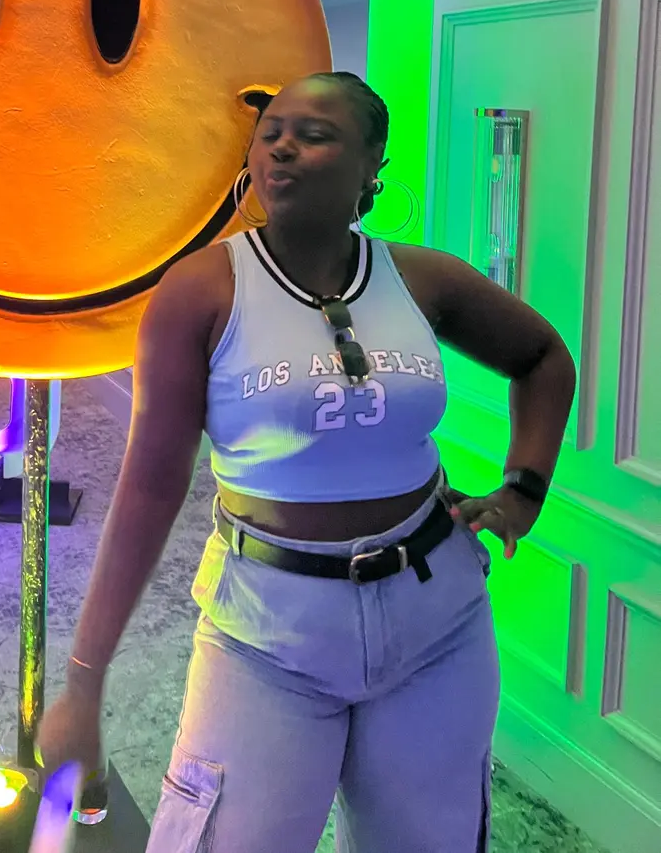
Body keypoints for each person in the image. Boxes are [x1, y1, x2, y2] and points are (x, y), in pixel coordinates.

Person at [36, 72, 575, 852]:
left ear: (371, 163)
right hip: (267, 628)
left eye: (314, 133)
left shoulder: (422, 278)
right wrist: (84, 681)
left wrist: (523, 489)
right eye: (271, 131)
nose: (281, 145)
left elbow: (543, 357)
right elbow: (151, 483)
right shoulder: (202, 290)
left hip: (437, 618)